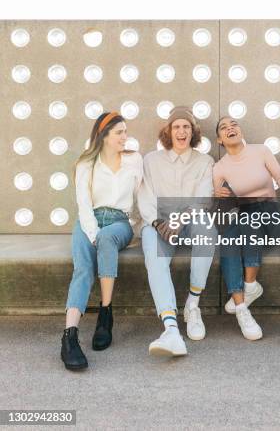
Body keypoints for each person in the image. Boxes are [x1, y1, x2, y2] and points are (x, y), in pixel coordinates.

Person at [61, 111, 143, 370]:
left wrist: (140, 228)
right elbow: (83, 205)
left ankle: (105, 314)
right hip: (89, 221)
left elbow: (142, 196)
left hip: (120, 223)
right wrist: (92, 233)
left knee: (108, 238)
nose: (125, 137)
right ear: (103, 135)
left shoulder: (134, 160)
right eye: (119, 132)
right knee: (83, 270)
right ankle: (69, 337)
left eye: (125, 132)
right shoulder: (86, 163)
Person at [138, 106, 215, 357]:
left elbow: (203, 199)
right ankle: (170, 328)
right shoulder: (151, 160)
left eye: (186, 127)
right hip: (158, 224)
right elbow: (145, 195)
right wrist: (157, 223)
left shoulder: (205, 162)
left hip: (189, 222)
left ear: (193, 132)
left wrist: (180, 220)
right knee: (154, 255)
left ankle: (193, 304)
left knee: (208, 230)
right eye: (176, 127)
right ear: (168, 132)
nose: (181, 131)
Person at [213, 116, 280, 340]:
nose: (230, 128)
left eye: (233, 124)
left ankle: (250, 286)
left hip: (272, 218)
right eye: (224, 128)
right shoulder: (219, 168)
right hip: (246, 218)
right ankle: (242, 308)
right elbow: (224, 206)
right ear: (220, 140)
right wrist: (218, 194)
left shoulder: (261, 151)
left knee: (243, 224)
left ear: (240, 130)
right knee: (229, 237)